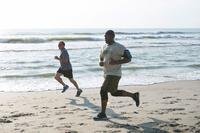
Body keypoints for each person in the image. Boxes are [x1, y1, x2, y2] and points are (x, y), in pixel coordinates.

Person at [94, 30, 140, 120]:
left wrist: (116, 62)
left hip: (115, 74)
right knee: (114, 93)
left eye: (106, 36)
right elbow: (101, 57)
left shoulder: (119, 47)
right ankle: (134, 95)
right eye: (104, 36)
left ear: (112, 36)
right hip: (106, 73)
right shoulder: (103, 46)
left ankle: (103, 113)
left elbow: (129, 58)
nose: (104, 38)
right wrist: (100, 62)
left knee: (103, 90)